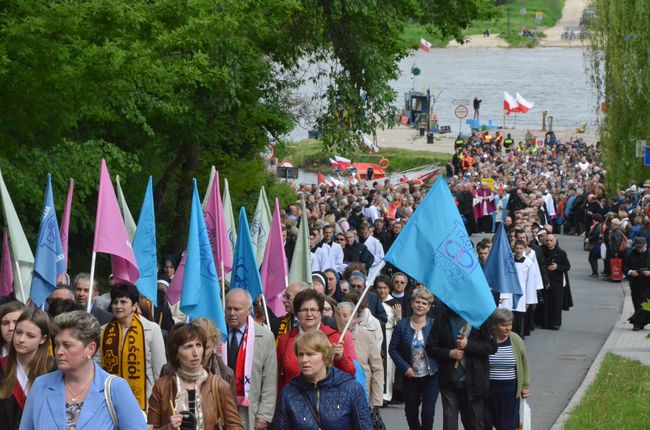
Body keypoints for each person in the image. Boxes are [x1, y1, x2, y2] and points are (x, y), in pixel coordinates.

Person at [20, 310, 146, 429]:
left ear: (90, 349)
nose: (58, 352)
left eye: (67, 345)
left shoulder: (115, 388)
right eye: (57, 344)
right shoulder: (41, 385)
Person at [147, 323, 243, 430]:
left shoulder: (219, 386)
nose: (195, 353)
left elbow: (235, 426)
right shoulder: (162, 387)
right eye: (188, 346)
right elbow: (150, 427)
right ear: (176, 353)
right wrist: (169, 427)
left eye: (198, 345)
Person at [273, 330, 373, 430]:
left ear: (325, 356)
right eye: (300, 354)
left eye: (310, 354)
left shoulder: (352, 389)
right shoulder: (289, 393)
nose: (304, 360)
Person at [425, 304, 497, 430]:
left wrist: (468, 344)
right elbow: (430, 347)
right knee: (449, 424)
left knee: (474, 424)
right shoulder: (442, 318)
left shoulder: (480, 318)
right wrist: (449, 353)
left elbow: (491, 346)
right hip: (449, 381)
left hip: (473, 382)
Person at [99, 282, 166, 409]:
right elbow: (97, 366)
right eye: (115, 302)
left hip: (145, 401)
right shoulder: (103, 331)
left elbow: (160, 369)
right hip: (109, 401)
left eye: (123, 302)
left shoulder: (152, 329)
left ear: (134, 305)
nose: (118, 306)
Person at [277, 289, 356, 390]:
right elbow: (279, 378)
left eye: (313, 310)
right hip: (294, 400)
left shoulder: (334, 336)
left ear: (320, 312)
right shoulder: (285, 340)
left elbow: (350, 373)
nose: (309, 314)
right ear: (296, 313)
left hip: (328, 398)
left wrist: (340, 358)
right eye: (304, 310)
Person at [224, 288, 277, 429]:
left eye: (237, 309)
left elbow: (269, 380)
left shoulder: (265, 336)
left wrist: (264, 415)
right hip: (221, 407)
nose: (231, 313)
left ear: (249, 310)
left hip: (249, 410)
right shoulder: (217, 333)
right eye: (228, 308)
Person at [388, 288, 438, 430]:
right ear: (411, 303)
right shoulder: (402, 325)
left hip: (431, 376)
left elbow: (440, 349)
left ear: (428, 307)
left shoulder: (433, 325)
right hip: (410, 376)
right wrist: (405, 367)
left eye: (424, 303)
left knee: (428, 412)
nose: (420, 305)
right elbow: (393, 349)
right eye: (417, 302)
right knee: (411, 412)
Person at [0, 308, 53, 429]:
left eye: (30, 336)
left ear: (43, 339)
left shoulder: (54, 370)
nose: (21, 339)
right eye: (18, 332)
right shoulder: (2, 366)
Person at [484, 308, 530, 430]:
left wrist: (525, 385)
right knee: (485, 423)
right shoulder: (487, 339)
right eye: (504, 325)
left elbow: (524, 361)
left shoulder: (515, 339)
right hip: (488, 389)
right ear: (494, 325)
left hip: (509, 390)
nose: (508, 328)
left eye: (510, 324)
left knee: (507, 425)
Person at [337, 302, 384, 410]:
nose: (342, 319)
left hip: (362, 395)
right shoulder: (333, 336)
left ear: (354, 318)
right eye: (339, 316)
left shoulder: (366, 335)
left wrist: (376, 401)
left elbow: (377, 369)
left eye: (345, 315)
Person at [374, 275, 400, 402]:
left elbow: (398, 324)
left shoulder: (393, 303)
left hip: (389, 335)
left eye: (385, 288)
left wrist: (398, 316)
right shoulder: (373, 300)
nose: (382, 291)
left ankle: (386, 395)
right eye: (379, 288)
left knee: (388, 366)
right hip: (375, 335)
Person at [193, 317, 235, 393]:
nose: (200, 352)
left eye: (206, 347)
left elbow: (231, 404)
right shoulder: (170, 371)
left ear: (214, 345)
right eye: (198, 346)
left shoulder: (226, 374)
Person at [542, 234, 571, 330]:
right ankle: (545, 322)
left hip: (557, 282)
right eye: (547, 240)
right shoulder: (542, 251)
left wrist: (557, 267)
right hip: (545, 280)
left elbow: (567, 266)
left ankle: (556, 323)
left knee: (557, 304)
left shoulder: (561, 253)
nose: (549, 242)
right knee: (546, 303)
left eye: (551, 240)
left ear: (555, 241)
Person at [624, 237, 650, 331]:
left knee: (644, 303)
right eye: (638, 247)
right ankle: (640, 323)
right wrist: (631, 272)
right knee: (637, 303)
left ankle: (635, 322)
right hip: (636, 283)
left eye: (641, 247)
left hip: (648, 283)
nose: (639, 249)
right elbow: (625, 266)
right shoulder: (631, 254)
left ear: (646, 245)